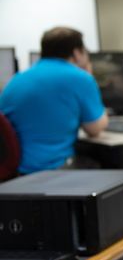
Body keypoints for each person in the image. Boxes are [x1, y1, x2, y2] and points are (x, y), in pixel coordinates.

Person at [0, 26, 108, 174]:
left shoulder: (17, 79)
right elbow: (95, 129)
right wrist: (88, 76)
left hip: (17, 171)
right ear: (77, 53)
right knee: (106, 164)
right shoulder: (80, 77)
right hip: (53, 168)